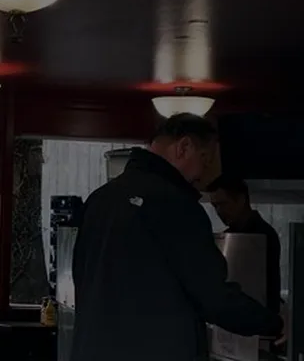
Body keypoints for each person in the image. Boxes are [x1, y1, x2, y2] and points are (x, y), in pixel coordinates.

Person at [71, 113, 283, 361]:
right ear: (184, 147)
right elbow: (214, 297)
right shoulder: (176, 204)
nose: (203, 175)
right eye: (205, 159)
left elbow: (80, 278)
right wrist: (274, 324)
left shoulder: (99, 199)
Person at [208, 175, 281, 315]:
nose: (219, 211)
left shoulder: (261, 235)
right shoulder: (230, 237)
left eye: (223, 204)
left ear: (241, 200)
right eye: (215, 206)